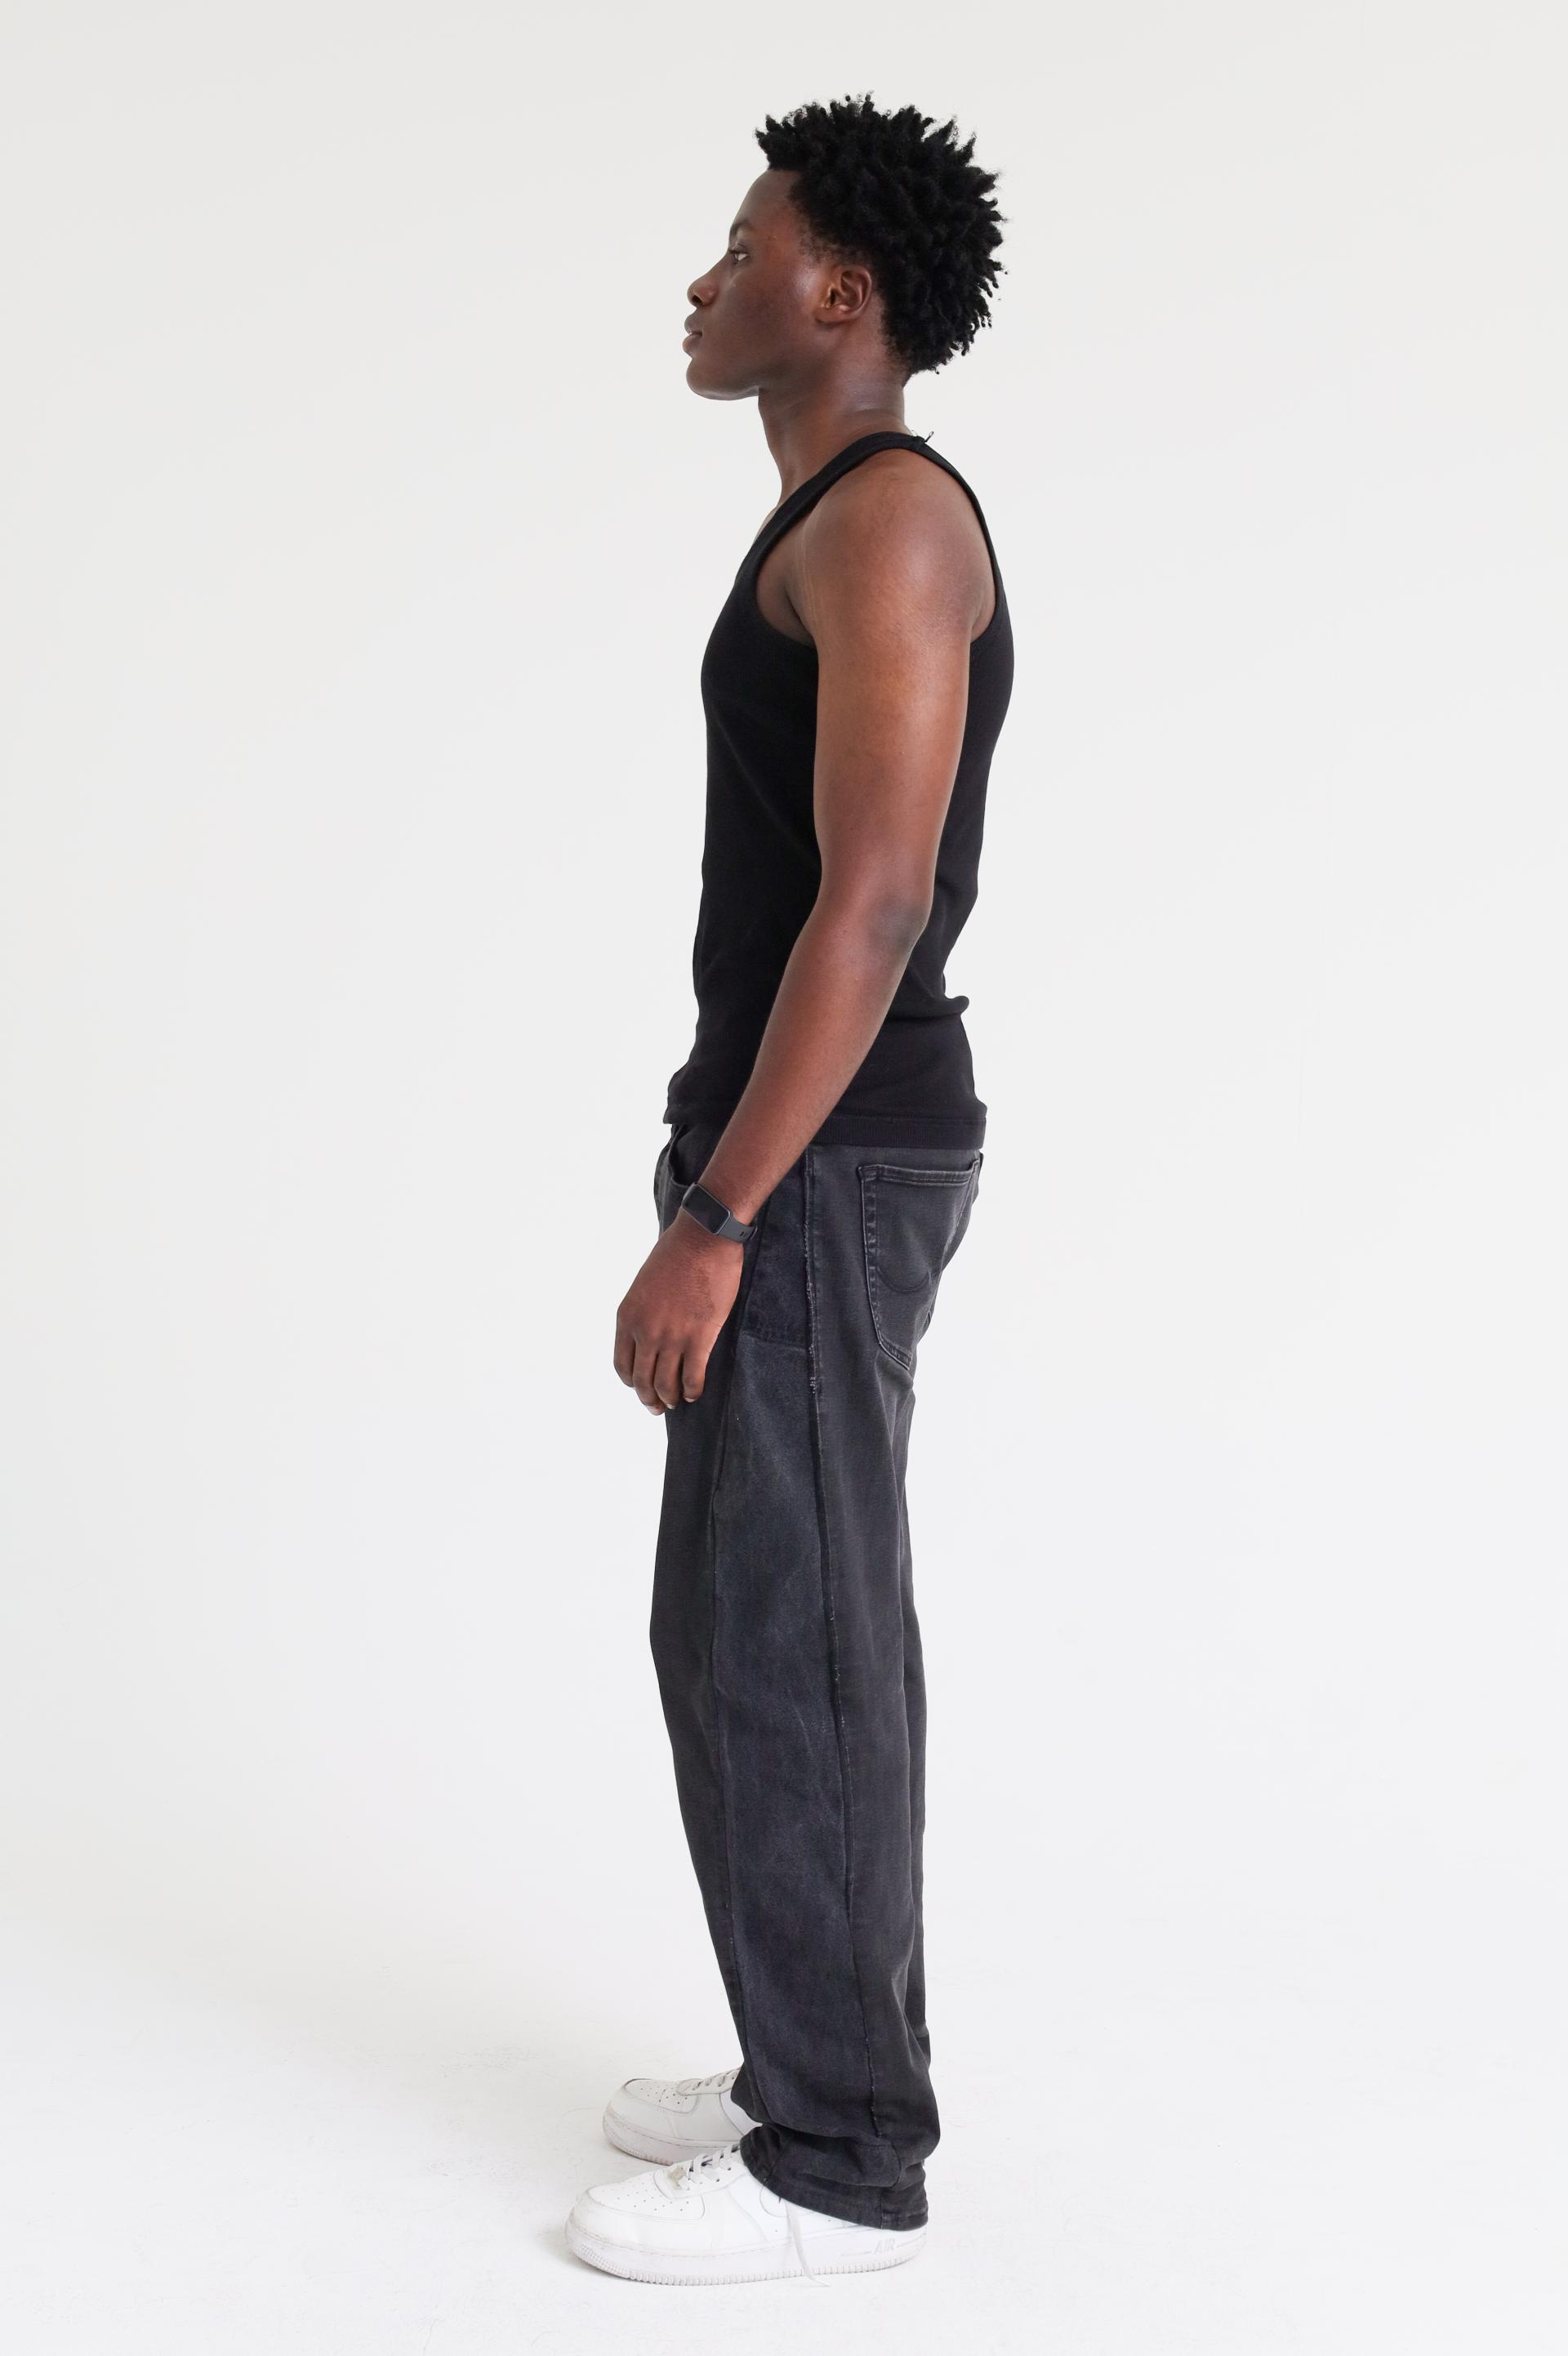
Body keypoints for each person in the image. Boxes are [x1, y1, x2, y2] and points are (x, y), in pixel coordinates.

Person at [568, 91, 1013, 2287]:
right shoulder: (836, 517)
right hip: (791, 1151)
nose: (708, 277)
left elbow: (877, 899)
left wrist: (720, 1215)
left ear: (841, 291)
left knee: (796, 1646)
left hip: (820, 1170)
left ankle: (844, 2160)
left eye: (744, 247)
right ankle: (802, 2057)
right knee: (740, 1629)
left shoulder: (894, 520)